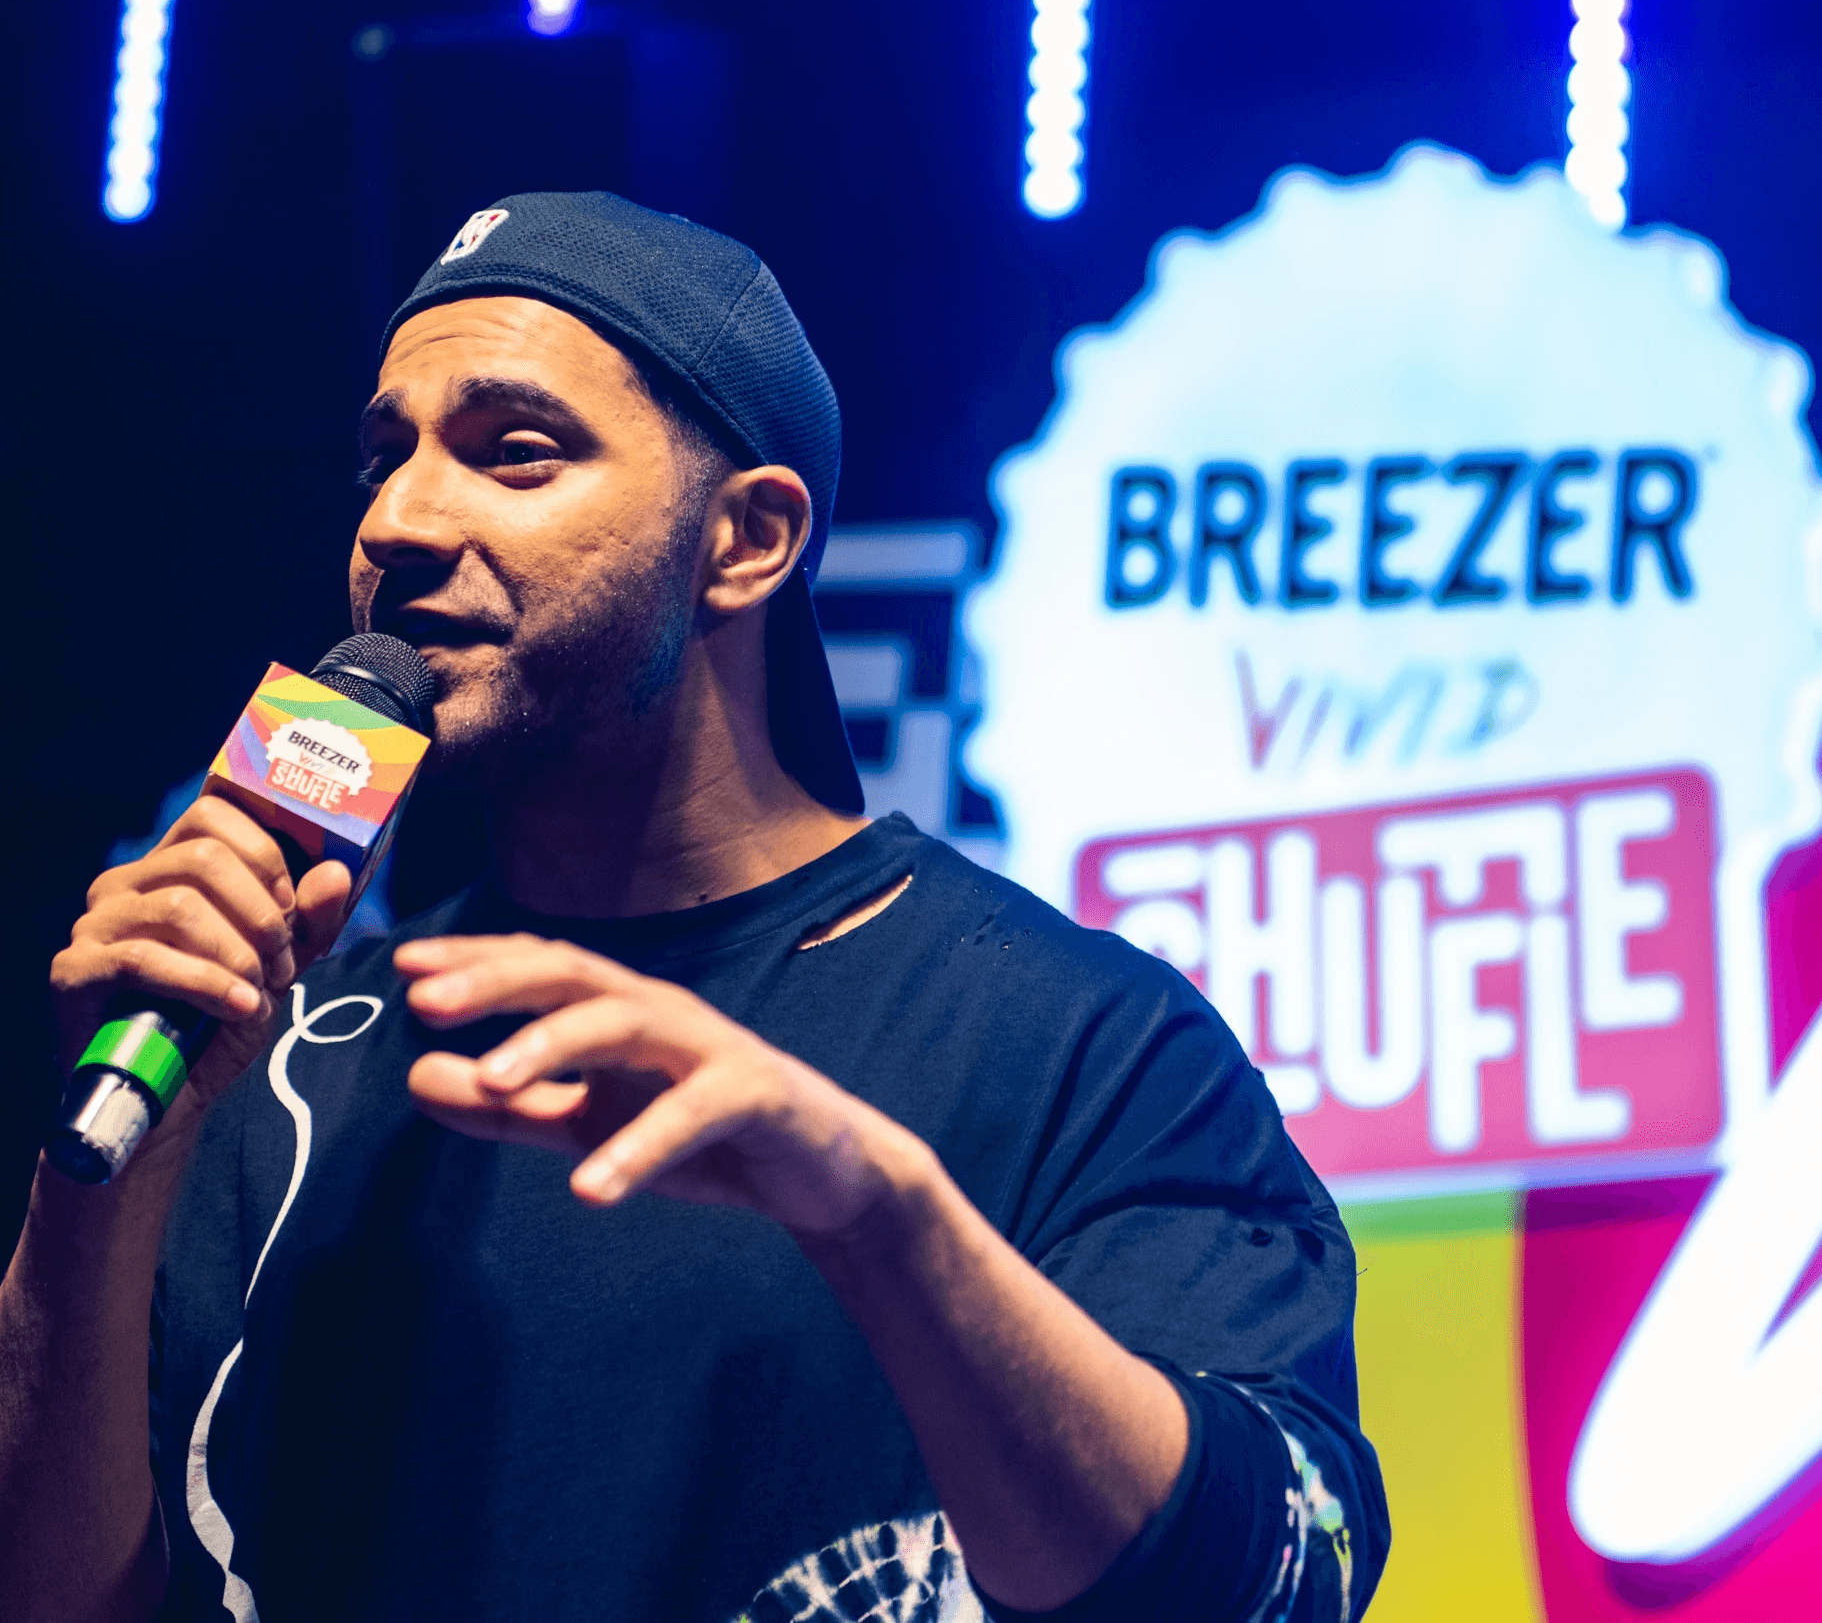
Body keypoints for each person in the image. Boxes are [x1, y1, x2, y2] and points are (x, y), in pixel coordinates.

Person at [0, 192, 1388, 1623]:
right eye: (382, 457)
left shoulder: (1082, 1040)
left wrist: (879, 1218)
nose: (396, 521)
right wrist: (101, 1178)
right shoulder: (283, 1052)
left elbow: (1275, 1575)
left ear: (746, 540)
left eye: (514, 452)